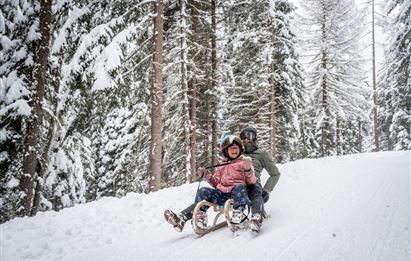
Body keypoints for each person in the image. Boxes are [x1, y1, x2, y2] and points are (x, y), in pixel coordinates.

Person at [164, 135, 256, 232]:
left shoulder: (244, 163)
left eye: (236, 148)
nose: (234, 151)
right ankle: (200, 218)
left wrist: (248, 169)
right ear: (225, 151)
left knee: (239, 186)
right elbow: (216, 184)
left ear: (240, 149)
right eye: (231, 149)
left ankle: (238, 213)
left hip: (237, 196)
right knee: (203, 191)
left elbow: (252, 181)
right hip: (222, 195)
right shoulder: (221, 166)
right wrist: (207, 176)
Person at [239, 126, 281, 232]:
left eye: (248, 136)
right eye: (243, 137)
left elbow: (275, 173)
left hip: (253, 183)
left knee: (254, 190)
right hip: (237, 183)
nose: (245, 139)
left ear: (254, 137)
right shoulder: (238, 154)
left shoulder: (261, 154)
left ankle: (256, 216)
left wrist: (267, 190)